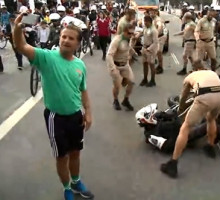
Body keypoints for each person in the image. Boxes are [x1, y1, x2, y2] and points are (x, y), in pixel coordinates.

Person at [13, 13, 94, 200]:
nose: (66, 40)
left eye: (71, 38)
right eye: (64, 36)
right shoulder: (46, 57)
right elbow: (21, 46)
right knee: (61, 157)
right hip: (55, 118)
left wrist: (88, 112)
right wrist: (18, 29)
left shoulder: (80, 65)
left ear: (78, 43)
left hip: (76, 116)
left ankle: (76, 182)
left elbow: (83, 90)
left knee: (75, 153)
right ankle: (67, 188)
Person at [160, 61, 220, 178]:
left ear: (194, 70)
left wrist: (181, 111)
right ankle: (210, 146)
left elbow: (183, 97)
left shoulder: (190, 77)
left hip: (205, 95)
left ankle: (173, 163)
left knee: (185, 127)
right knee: (211, 119)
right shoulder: (212, 72)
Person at [107, 23, 136, 111]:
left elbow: (128, 48)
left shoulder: (129, 39)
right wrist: (113, 68)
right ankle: (115, 100)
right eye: (129, 33)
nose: (131, 35)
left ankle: (126, 99)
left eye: (132, 33)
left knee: (131, 82)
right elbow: (109, 55)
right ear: (124, 32)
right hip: (116, 65)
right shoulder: (117, 40)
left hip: (125, 64)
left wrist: (133, 52)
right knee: (117, 86)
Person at [139, 16, 159, 87]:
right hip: (144, 48)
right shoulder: (145, 28)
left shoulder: (154, 30)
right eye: (144, 21)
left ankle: (153, 80)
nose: (145, 23)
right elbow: (142, 34)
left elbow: (155, 42)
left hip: (150, 50)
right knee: (144, 64)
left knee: (151, 65)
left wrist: (149, 49)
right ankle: (145, 79)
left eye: (146, 22)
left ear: (150, 22)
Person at [150, 8, 166, 74]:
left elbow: (160, 26)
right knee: (155, 52)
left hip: (160, 37)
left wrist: (156, 34)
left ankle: (160, 67)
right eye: (150, 12)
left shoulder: (158, 19)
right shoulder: (152, 20)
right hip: (155, 38)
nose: (151, 14)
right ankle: (158, 64)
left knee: (159, 52)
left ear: (156, 12)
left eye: (152, 12)